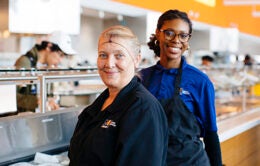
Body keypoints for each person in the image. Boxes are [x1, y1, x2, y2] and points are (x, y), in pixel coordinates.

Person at [68, 25, 168, 166]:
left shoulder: (142, 109)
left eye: (119, 55)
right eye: (103, 55)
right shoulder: (100, 104)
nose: (109, 64)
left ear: (136, 59)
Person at [140, 9, 222, 166]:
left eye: (183, 35)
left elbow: (211, 133)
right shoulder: (143, 78)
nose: (176, 40)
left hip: (189, 161)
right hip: (151, 160)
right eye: (169, 33)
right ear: (158, 33)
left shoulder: (200, 81)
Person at [14, 31, 77, 112]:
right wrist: (39, 101)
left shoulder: (48, 66)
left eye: (63, 56)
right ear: (48, 47)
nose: (60, 60)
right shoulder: (25, 62)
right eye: (60, 54)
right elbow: (15, 97)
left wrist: (49, 101)